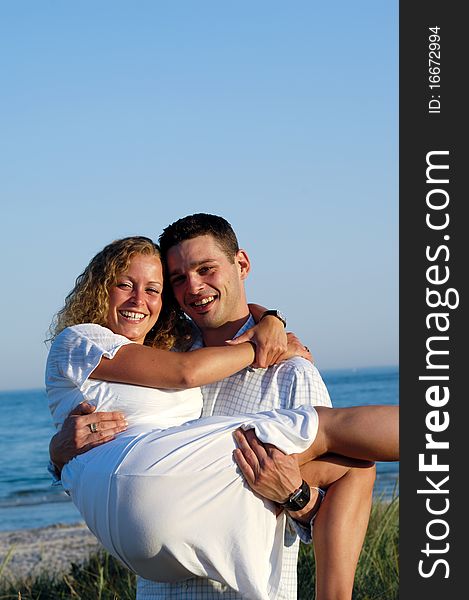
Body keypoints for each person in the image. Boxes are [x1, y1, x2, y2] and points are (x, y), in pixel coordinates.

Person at [47, 225, 398, 599]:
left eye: (206, 269)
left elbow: (325, 516)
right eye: (179, 278)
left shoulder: (291, 373)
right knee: (344, 444)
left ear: (241, 264)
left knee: (353, 462)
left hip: (237, 583)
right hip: (160, 576)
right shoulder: (171, 355)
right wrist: (58, 454)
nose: (194, 287)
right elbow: (180, 380)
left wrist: (296, 496)